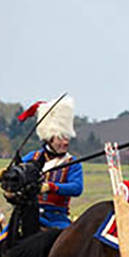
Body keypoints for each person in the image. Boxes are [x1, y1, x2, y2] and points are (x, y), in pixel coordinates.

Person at [16, 96, 83, 229]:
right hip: (29, 213)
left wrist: (51, 187)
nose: (65, 142)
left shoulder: (73, 163)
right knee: (3, 239)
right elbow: (17, 174)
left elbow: (77, 188)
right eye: (60, 138)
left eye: (67, 137)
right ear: (49, 138)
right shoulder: (31, 157)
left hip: (57, 218)